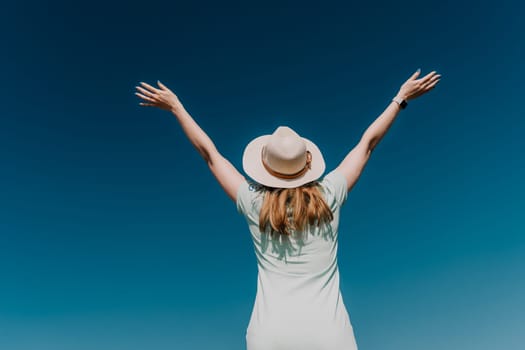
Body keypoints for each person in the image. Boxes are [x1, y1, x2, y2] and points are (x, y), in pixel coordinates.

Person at [134, 68, 441, 349]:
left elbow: (210, 154)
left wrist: (176, 107)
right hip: (329, 335)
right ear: (308, 162)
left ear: (263, 166)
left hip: (269, 335)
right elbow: (367, 143)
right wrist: (400, 98)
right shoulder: (330, 194)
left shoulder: (254, 203)